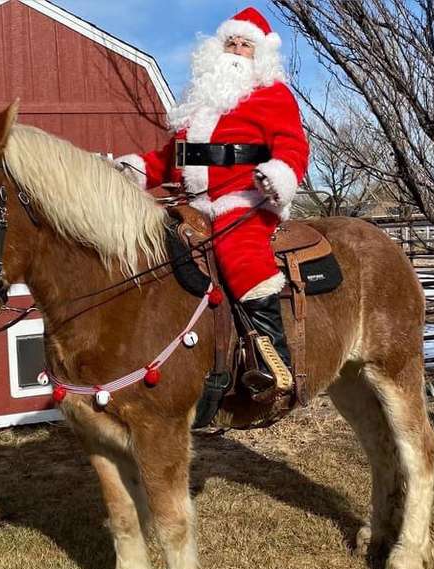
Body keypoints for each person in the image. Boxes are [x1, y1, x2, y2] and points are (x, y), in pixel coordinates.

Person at [114, 7, 309, 395]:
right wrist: (134, 170)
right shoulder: (200, 104)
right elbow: (170, 159)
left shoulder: (273, 95)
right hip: (194, 203)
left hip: (245, 199)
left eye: (245, 44)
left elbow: (292, 145)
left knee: (241, 254)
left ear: (261, 54)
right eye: (231, 42)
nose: (236, 50)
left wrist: (280, 175)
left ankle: (272, 361)